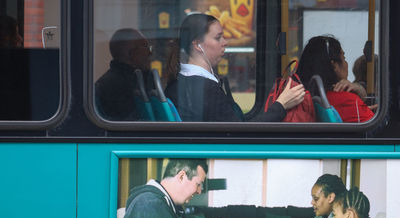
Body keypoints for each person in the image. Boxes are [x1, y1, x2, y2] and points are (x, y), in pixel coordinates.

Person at [165, 13, 305, 122]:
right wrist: (281, 105)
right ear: (197, 45)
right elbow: (241, 136)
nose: (224, 42)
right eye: (218, 37)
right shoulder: (206, 89)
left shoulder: (178, 81)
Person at [298, 35, 374, 123]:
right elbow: (379, 127)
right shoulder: (346, 100)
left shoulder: (308, 97)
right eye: (344, 58)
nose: (346, 63)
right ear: (334, 65)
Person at [95, 28, 152, 121]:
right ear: (131, 53)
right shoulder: (119, 87)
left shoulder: (133, 79)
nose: (150, 53)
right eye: (145, 47)